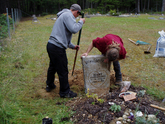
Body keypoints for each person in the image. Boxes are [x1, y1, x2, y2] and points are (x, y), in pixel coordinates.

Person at [46, 4, 85, 98]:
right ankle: (65, 92)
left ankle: (50, 85)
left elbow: (64, 36)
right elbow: (74, 29)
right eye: (78, 15)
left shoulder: (64, 15)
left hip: (51, 45)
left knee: (53, 67)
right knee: (63, 70)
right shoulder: (68, 15)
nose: (77, 17)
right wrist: (81, 22)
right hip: (57, 48)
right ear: (76, 12)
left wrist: (73, 46)